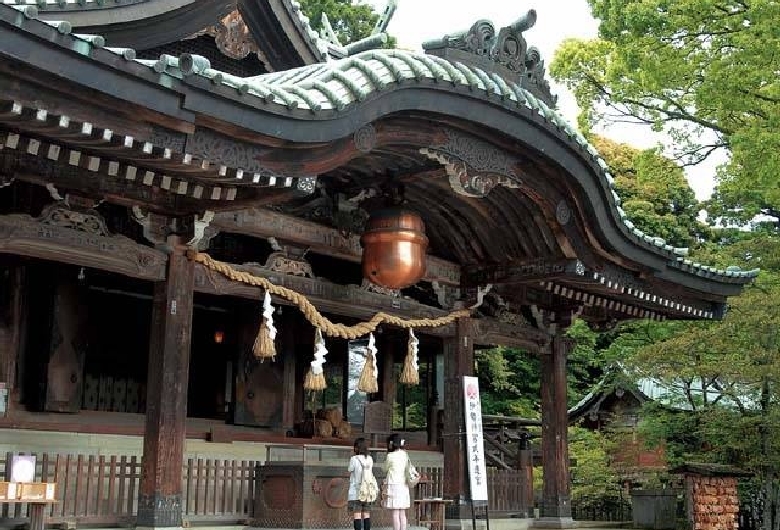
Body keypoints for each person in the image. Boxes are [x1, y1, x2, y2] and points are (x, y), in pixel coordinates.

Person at [384, 433, 412, 530]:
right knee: (402, 513)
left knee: (395, 512)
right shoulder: (405, 454)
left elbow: (385, 468)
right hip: (403, 485)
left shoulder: (390, 456)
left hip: (393, 485)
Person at [348, 437, 374, 530]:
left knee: (357, 515)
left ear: (356, 448)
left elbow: (349, 470)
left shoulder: (354, 459)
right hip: (367, 490)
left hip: (356, 491)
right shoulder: (370, 459)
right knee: (367, 515)